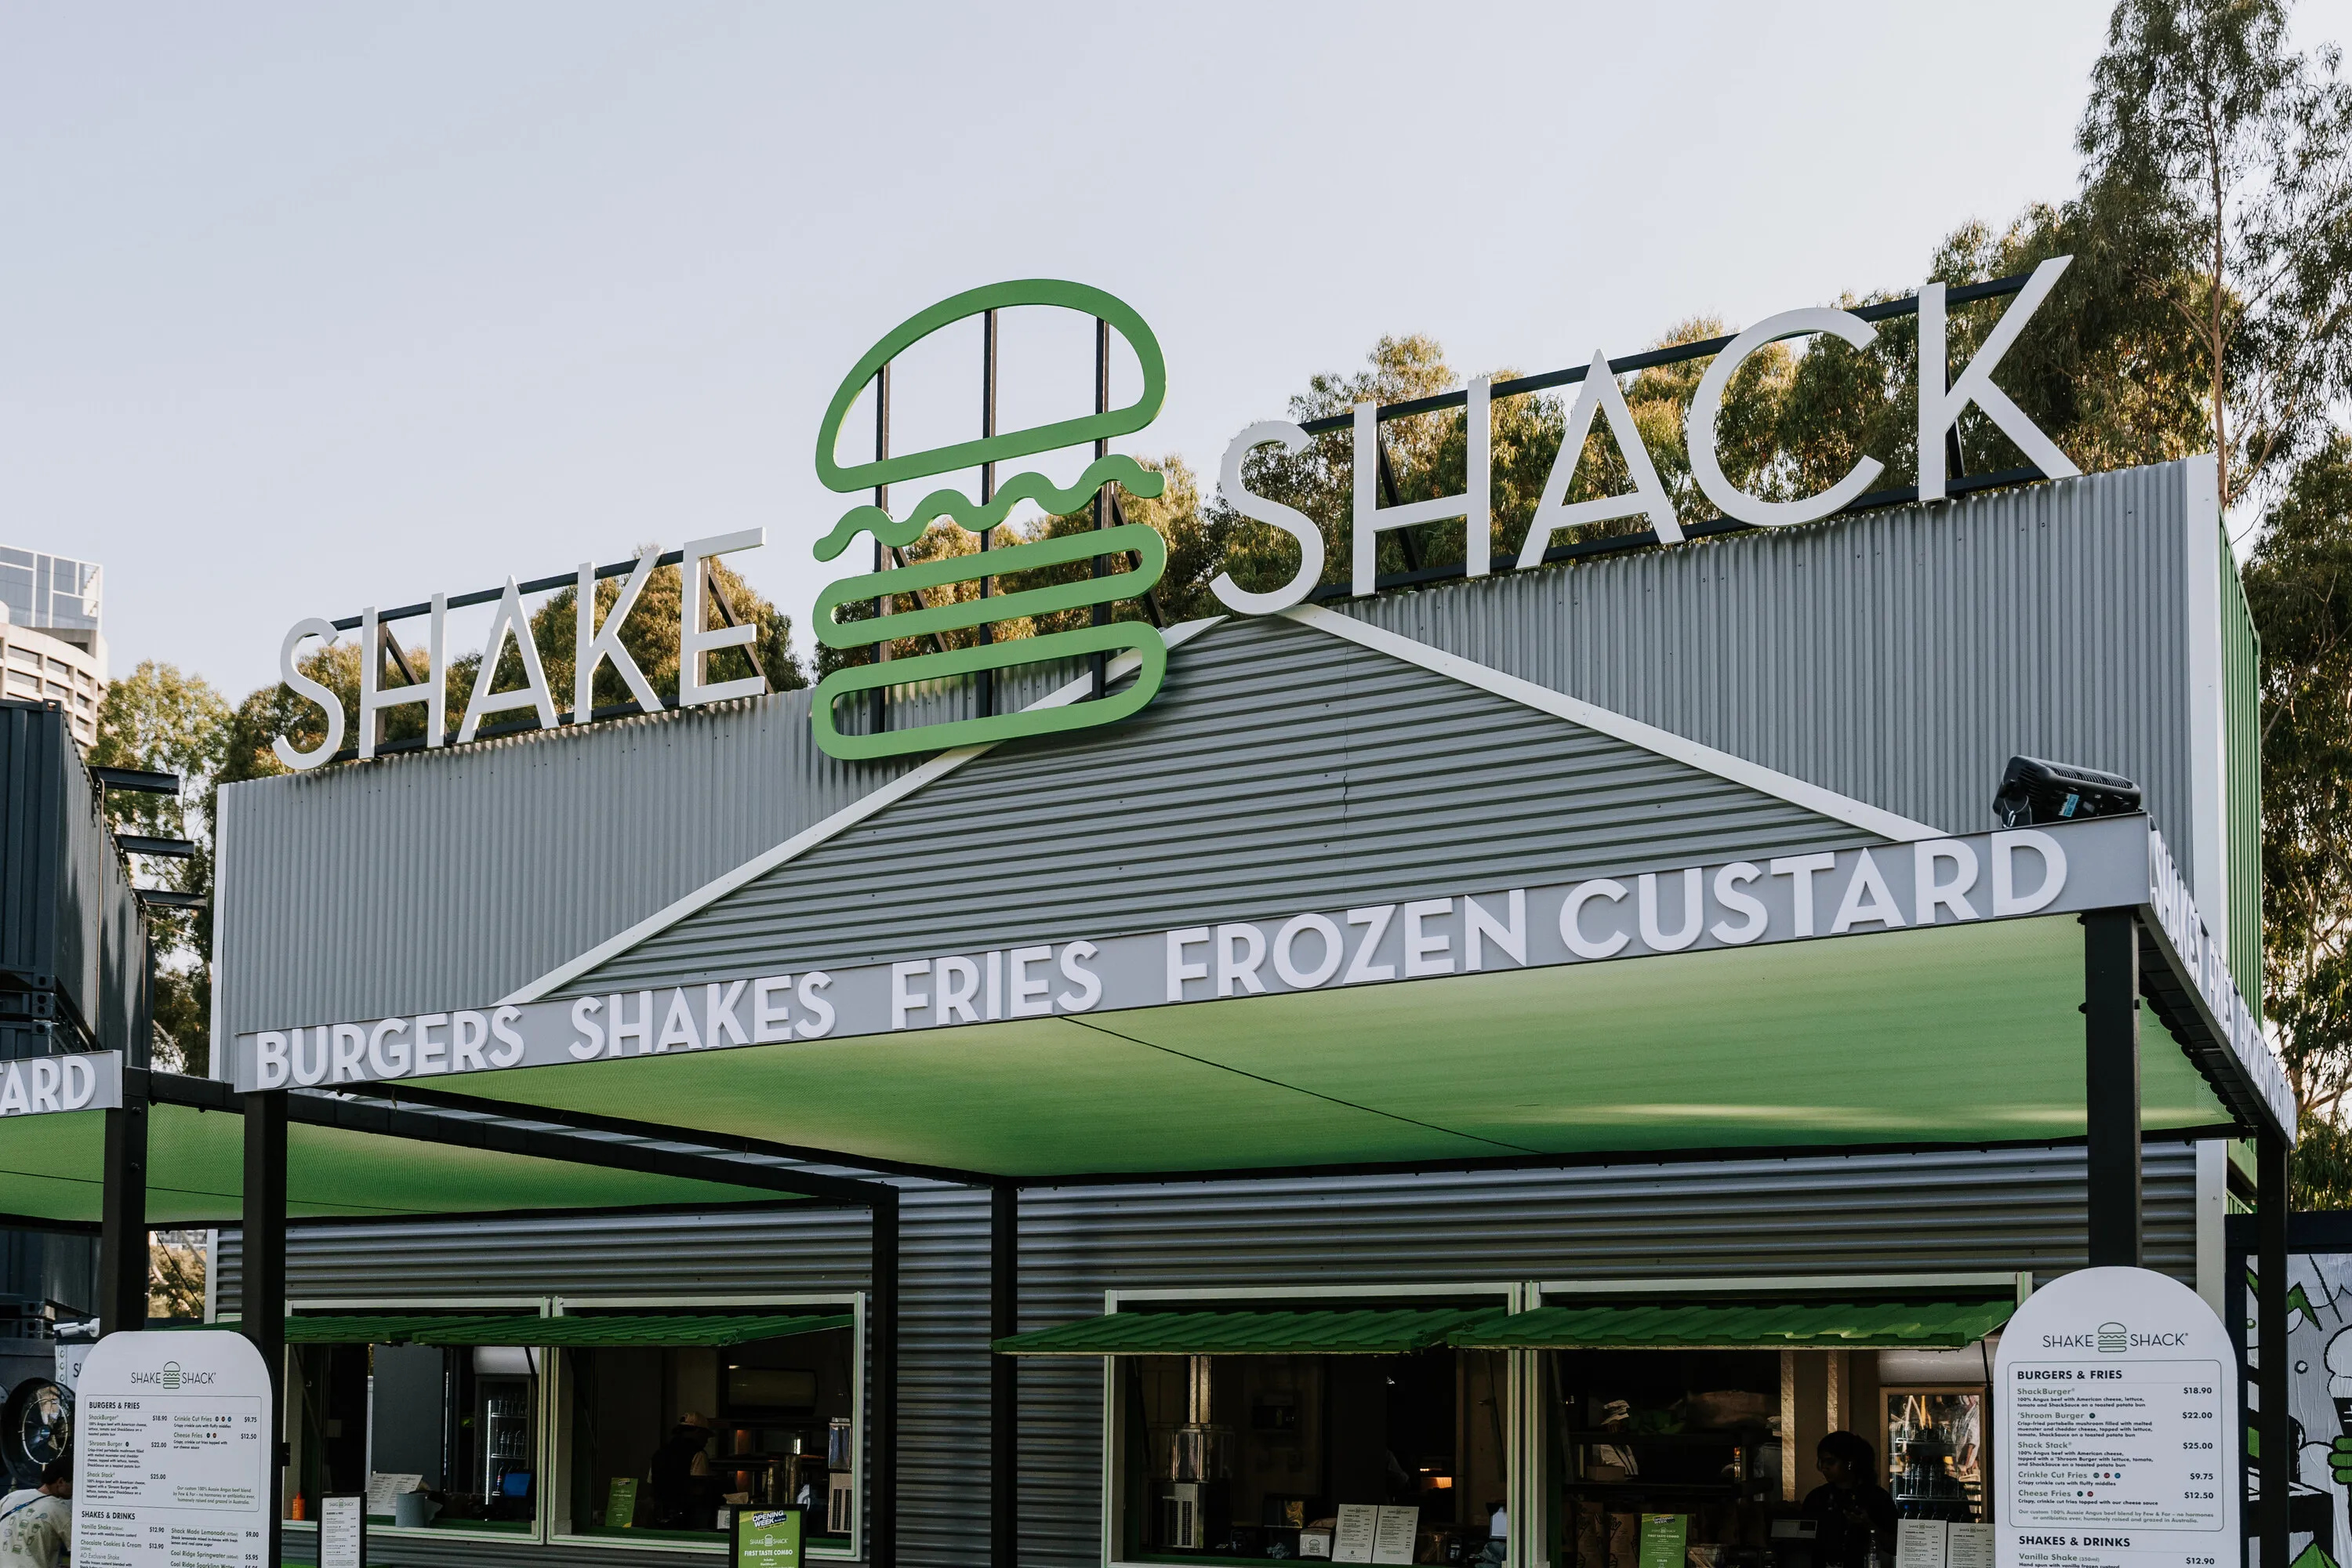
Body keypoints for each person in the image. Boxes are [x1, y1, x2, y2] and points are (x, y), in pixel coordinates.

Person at [1802, 1432, 1896, 1568]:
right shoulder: (1817, 1497)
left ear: (1850, 1463)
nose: (1824, 1467)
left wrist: (1869, 1526)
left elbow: (1896, 1546)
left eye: (1831, 1461)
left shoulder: (1877, 1498)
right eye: (1821, 1461)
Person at [647, 1411, 717, 1528]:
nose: (706, 1441)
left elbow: (651, 1485)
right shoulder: (698, 1454)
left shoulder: (659, 1454)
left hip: (659, 1518)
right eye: (705, 1436)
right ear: (698, 1432)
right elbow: (700, 1489)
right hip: (687, 1519)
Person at [0, 1457, 71, 1568]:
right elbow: (81, 1549)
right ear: (61, 1482)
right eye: (73, 1483)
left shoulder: (12, 1496)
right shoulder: (59, 1510)